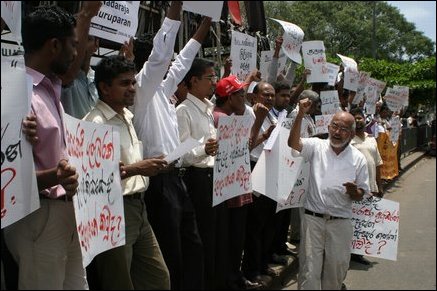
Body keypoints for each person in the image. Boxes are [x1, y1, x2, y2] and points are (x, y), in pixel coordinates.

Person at [2, 5, 86, 289]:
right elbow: (8, 178)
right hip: (39, 218)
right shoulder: (14, 93)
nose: (77, 53)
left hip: (66, 212)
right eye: (73, 45)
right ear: (54, 45)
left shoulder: (51, 88)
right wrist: (57, 176)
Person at [133, 15, 212, 290]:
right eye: (165, 62)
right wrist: (176, 8)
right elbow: (161, 56)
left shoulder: (163, 90)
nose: (171, 66)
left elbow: (184, 60)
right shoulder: (141, 90)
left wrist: (205, 25)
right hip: (156, 183)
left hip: (175, 180)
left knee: (193, 247)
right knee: (172, 254)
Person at [84, 55, 170, 289]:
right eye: (124, 83)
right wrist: (136, 168)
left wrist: (146, 165)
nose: (132, 89)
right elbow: (92, 175)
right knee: (118, 282)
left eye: (133, 82)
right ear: (104, 88)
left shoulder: (126, 116)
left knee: (158, 278)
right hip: (112, 212)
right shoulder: (95, 123)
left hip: (138, 209)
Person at [288, 98, 370, 290]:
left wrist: (353, 191)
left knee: (336, 270)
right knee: (309, 270)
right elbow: (293, 143)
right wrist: (300, 114)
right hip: (313, 220)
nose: (337, 132)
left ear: (351, 133)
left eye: (343, 129)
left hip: (340, 222)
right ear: (329, 126)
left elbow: (362, 194)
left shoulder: (358, 159)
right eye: (334, 126)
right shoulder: (316, 146)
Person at [176, 58, 225, 289]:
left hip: (212, 177)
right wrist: (203, 150)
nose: (213, 83)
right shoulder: (183, 110)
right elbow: (182, 154)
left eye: (215, 78)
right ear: (193, 81)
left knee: (214, 236)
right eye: (210, 78)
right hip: (196, 179)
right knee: (200, 238)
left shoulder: (207, 109)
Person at [213, 75, 263, 290]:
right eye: (241, 94)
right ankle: (229, 280)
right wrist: (259, 121)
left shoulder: (232, 117)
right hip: (228, 191)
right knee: (229, 239)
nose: (245, 98)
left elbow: (244, 149)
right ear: (229, 97)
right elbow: (243, 149)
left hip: (237, 187)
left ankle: (235, 276)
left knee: (237, 238)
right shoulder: (219, 119)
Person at [349, 107, 384, 266]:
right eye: (354, 118)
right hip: (356, 188)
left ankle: (359, 252)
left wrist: (379, 185)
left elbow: (377, 164)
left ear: (364, 119)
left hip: (371, 186)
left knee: (365, 222)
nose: (358, 120)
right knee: (354, 222)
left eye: (360, 118)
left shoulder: (371, 139)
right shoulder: (348, 141)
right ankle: (349, 252)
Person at [61, 1, 101, 119]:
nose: (79, 44)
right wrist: (86, 15)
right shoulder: (62, 77)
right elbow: (69, 74)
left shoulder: (98, 80)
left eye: (87, 39)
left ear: (96, 44)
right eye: (73, 42)